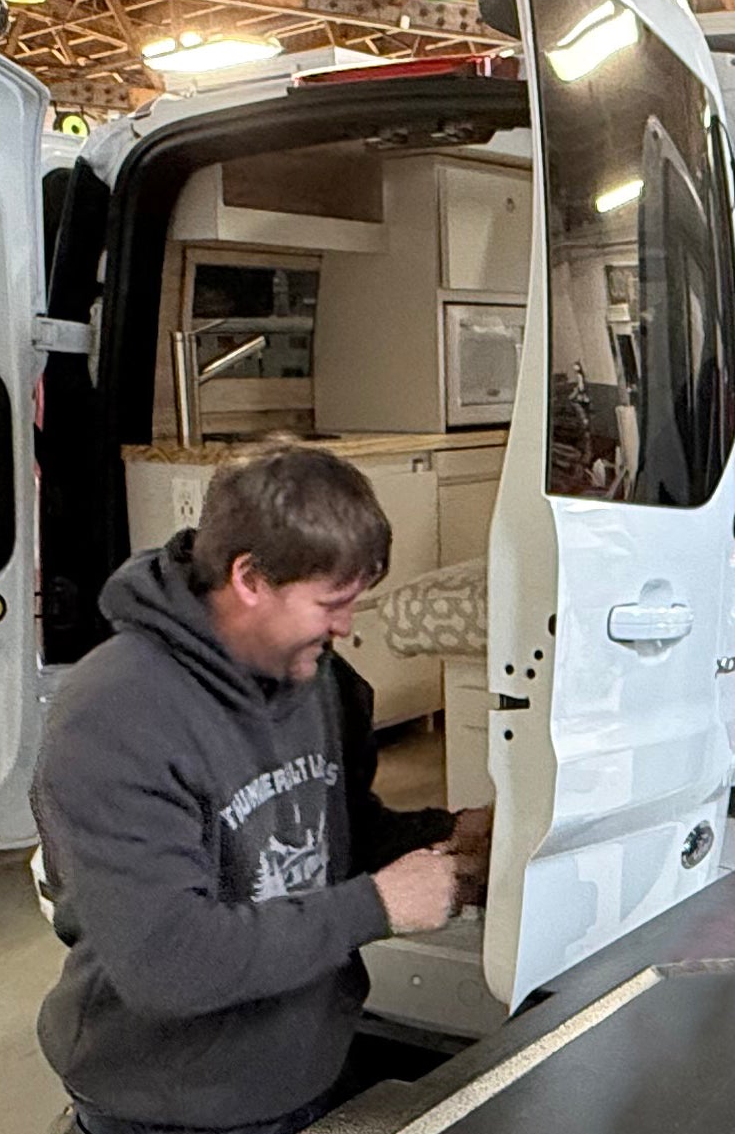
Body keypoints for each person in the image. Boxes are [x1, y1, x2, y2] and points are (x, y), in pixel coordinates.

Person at [36, 447, 481, 1134]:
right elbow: (167, 960)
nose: (345, 625)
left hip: (306, 1064)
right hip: (173, 1101)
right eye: (330, 603)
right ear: (248, 578)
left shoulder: (317, 675)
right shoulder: (115, 715)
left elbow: (333, 829)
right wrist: (378, 905)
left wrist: (446, 838)